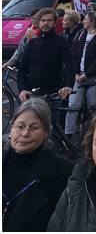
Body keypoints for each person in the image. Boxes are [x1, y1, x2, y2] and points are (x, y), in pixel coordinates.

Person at [3, 99, 75, 232]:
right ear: (11, 129)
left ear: (46, 133)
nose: (25, 133)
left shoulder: (64, 173)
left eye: (34, 128)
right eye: (20, 126)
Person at [65, 10, 96, 140]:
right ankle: (68, 135)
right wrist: (75, 73)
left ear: (92, 22)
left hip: (94, 77)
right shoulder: (81, 34)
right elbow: (73, 54)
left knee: (93, 106)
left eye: (85, 19)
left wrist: (87, 74)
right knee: (73, 105)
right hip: (78, 76)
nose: (83, 21)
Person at [17, 8, 73, 103]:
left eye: (49, 20)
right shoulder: (32, 43)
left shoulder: (61, 41)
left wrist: (68, 85)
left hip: (53, 93)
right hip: (32, 94)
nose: (46, 23)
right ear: (39, 23)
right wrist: (22, 89)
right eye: (43, 20)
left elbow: (70, 65)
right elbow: (22, 69)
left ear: (54, 23)